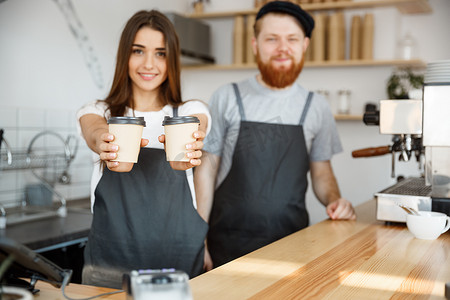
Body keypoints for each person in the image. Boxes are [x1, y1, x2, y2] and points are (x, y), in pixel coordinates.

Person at [194, 1, 356, 269]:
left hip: (293, 248)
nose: (283, 48)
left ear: (304, 46)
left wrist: (335, 201)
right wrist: (198, 240)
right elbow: (206, 172)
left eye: (291, 39)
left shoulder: (316, 107)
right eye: (272, 39)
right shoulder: (227, 97)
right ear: (255, 45)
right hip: (224, 248)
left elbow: (322, 173)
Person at [77, 10, 210, 288]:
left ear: (171, 60)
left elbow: (196, 126)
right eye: (139, 51)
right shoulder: (99, 112)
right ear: (124, 55)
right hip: (109, 266)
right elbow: (94, 131)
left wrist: (190, 143)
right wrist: (106, 140)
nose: (149, 63)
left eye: (160, 53)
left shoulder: (187, 111)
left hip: (180, 262)